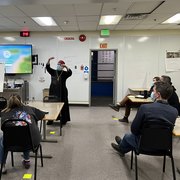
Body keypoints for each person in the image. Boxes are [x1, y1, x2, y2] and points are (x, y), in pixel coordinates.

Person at [111, 81, 178, 157]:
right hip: (164, 146)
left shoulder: (145, 108)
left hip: (143, 145)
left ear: (158, 95)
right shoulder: (174, 111)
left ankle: (122, 147)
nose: (152, 92)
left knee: (128, 136)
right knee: (130, 137)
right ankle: (122, 145)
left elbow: (134, 129)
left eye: (153, 91)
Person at [0, 94, 46, 174]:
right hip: (31, 143)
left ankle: (2, 165)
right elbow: (42, 114)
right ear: (21, 101)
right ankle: (27, 160)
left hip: (10, 144)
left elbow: (2, 128)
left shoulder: (3, 113)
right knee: (26, 133)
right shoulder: (30, 109)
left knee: (2, 138)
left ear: (8, 103)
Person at [46, 57, 72, 125]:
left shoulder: (64, 73)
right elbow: (48, 67)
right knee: (52, 106)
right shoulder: (53, 72)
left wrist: (66, 66)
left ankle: (63, 119)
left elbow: (70, 73)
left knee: (63, 106)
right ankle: (50, 120)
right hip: (53, 91)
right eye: (58, 64)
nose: (58, 65)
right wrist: (49, 60)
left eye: (60, 65)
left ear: (62, 66)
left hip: (62, 91)